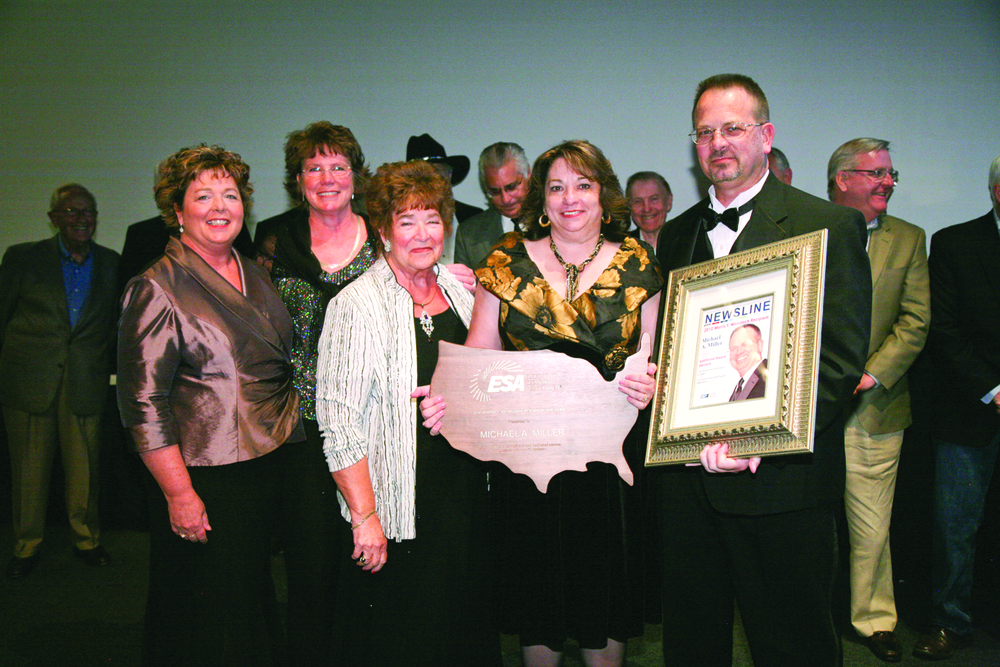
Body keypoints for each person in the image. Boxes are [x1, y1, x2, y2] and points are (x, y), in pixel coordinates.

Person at [654, 74, 871, 667]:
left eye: (733, 128)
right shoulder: (674, 237)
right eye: (704, 132)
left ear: (766, 135)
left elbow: (842, 359)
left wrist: (758, 437)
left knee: (793, 645)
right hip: (690, 483)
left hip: (782, 486)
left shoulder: (828, 224)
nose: (717, 143)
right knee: (693, 644)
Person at [424, 139, 662, 667]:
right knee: (538, 609)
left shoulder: (638, 261)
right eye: (556, 187)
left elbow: (652, 359)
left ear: (604, 194)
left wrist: (652, 384)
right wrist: (448, 396)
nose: (569, 198)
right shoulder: (504, 263)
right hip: (525, 464)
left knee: (604, 613)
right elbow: (478, 361)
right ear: (542, 196)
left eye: (583, 185)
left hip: (608, 467)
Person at [118, 145, 302, 667]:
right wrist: (179, 494)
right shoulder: (156, 285)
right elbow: (142, 403)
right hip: (201, 477)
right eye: (203, 196)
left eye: (230, 194)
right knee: (205, 613)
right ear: (177, 212)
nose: (220, 206)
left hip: (261, 468)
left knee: (247, 601)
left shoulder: (254, 270)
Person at [315, 160, 498, 666]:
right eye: (407, 220)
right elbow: (338, 424)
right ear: (383, 231)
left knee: (464, 635)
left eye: (433, 219)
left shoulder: (466, 294)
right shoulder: (355, 306)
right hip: (399, 509)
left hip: (466, 498)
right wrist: (365, 516)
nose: (423, 233)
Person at [253, 121, 380, 664]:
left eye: (337, 166)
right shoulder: (274, 236)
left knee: (375, 554)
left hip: (374, 420)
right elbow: (254, 318)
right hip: (300, 428)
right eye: (313, 168)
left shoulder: (384, 233)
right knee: (312, 563)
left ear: (355, 175)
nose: (326, 177)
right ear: (297, 178)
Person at [829, 137, 930, 662]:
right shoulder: (809, 229)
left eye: (891, 174)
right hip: (811, 407)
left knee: (872, 525)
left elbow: (915, 322)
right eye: (875, 173)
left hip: (875, 407)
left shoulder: (910, 239)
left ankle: (873, 621)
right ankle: (812, 612)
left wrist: (869, 376)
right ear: (843, 179)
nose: (887, 182)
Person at [1, 184, 119, 579]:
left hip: (85, 381)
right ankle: (26, 545)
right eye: (72, 211)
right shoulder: (23, 259)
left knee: (85, 469)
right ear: (54, 218)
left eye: (89, 211)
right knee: (28, 471)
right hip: (29, 380)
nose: (82, 218)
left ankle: (86, 539)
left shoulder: (112, 263)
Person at [913, 153, 1000, 661]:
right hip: (971, 409)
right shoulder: (954, 243)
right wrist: (994, 389)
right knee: (956, 527)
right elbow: (941, 329)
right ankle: (951, 624)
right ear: (996, 191)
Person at [454, 141, 531, 267]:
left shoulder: (556, 220)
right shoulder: (468, 234)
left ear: (528, 174)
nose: (506, 199)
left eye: (511, 187)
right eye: (495, 191)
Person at [405, 132, 483, 223]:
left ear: (449, 174)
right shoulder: (396, 220)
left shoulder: (474, 218)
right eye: (424, 176)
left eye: (438, 173)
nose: (432, 181)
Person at [626, 170, 672, 249]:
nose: (647, 209)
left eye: (654, 199)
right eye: (638, 202)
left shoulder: (687, 243)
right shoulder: (618, 249)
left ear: (669, 202)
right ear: (629, 206)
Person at [727, 323, 767, 401]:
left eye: (745, 344)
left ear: (759, 345)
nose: (739, 351)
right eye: (734, 348)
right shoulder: (739, 386)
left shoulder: (771, 375)